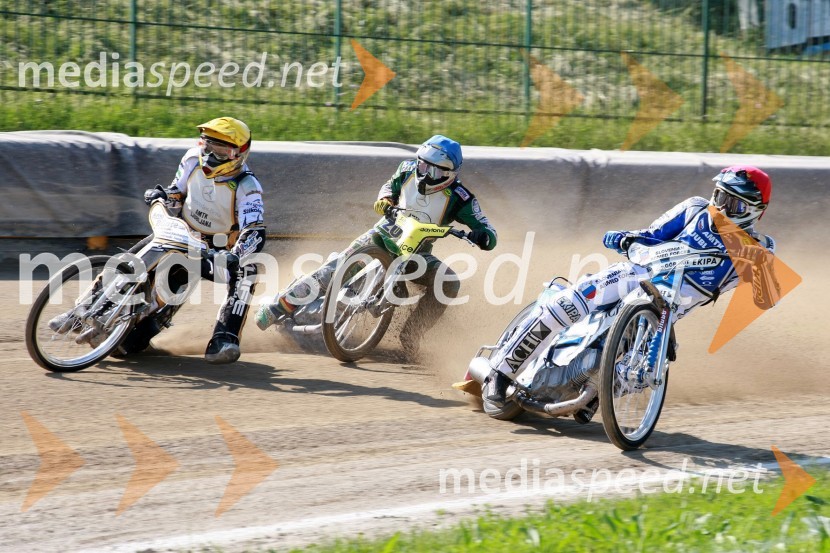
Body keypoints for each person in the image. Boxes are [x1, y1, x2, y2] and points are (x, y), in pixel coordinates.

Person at [483, 165, 779, 406]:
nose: (720, 205)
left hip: (670, 307)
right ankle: (501, 373)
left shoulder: (761, 248)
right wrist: (625, 238)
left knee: (629, 365)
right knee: (572, 300)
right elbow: (651, 234)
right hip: (637, 273)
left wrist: (756, 262)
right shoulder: (694, 209)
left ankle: (594, 395)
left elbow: (768, 296)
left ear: (754, 209)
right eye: (718, 195)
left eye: (732, 202)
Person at [255, 134, 497, 356]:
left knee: (449, 282)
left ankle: (411, 335)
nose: (424, 173)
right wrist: (384, 201)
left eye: (432, 170)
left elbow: (487, 229)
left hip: (416, 255)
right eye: (422, 165)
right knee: (333, 270)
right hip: (380, 236)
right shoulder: (406, 169)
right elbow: (387, 189)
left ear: (449, 174)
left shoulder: (461, 197)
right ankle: (280, 305)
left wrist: (482, 236)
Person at [142, 116, 266, 364]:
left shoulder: (248, 186)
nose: (210, 155)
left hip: (215, 250)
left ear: (238, 154)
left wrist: (235, 255)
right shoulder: (191, 159)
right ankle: (87, 306)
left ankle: (224, 338)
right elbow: (176, 192)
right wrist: (162, 195)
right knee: (138, 253)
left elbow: (254, 229)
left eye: (220, 151)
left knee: (248, 271)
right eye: (208, 146)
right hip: (179, 232)